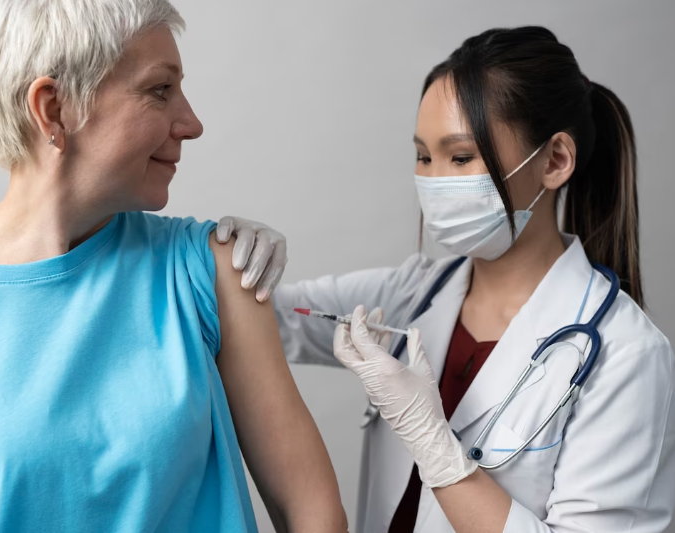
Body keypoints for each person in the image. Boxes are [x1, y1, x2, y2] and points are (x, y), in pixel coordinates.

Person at [0, 1, 347, 531]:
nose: (193, 123)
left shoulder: (209, 273)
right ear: (53, 107)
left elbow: (311, 512)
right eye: (160, 89)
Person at [218, 26, 675, 533]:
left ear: (554, 160)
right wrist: (224, 256)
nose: (434, 182)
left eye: (460, 157)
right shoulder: (413, 293)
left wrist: (433, 443)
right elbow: (260, 319)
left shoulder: (625, 354)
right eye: (422, 156)